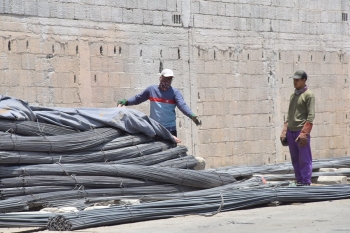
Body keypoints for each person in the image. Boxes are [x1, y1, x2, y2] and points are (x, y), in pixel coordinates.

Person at [117, 69, 201, 142]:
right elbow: (138, 98)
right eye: (165, 79)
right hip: (155, 127)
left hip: (169, 128)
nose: (167, 81)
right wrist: (126, 101)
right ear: (161, 78)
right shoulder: (151, 90)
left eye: (170, 79)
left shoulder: (175, 93)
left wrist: (191, 115)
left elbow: (182, 105)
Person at [280, 70, 315, 186]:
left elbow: (311, 115)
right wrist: (285, 129)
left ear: (304, 80)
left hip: (301, 131)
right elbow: (290, 113)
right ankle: (299, 181)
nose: (295, 82)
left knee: (304, 159)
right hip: (291, 131)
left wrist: (305, 133)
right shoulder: (293, 95)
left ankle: (305, 182)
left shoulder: (308, 95)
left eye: (297, 80)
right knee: (295, 159)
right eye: (294, 80)